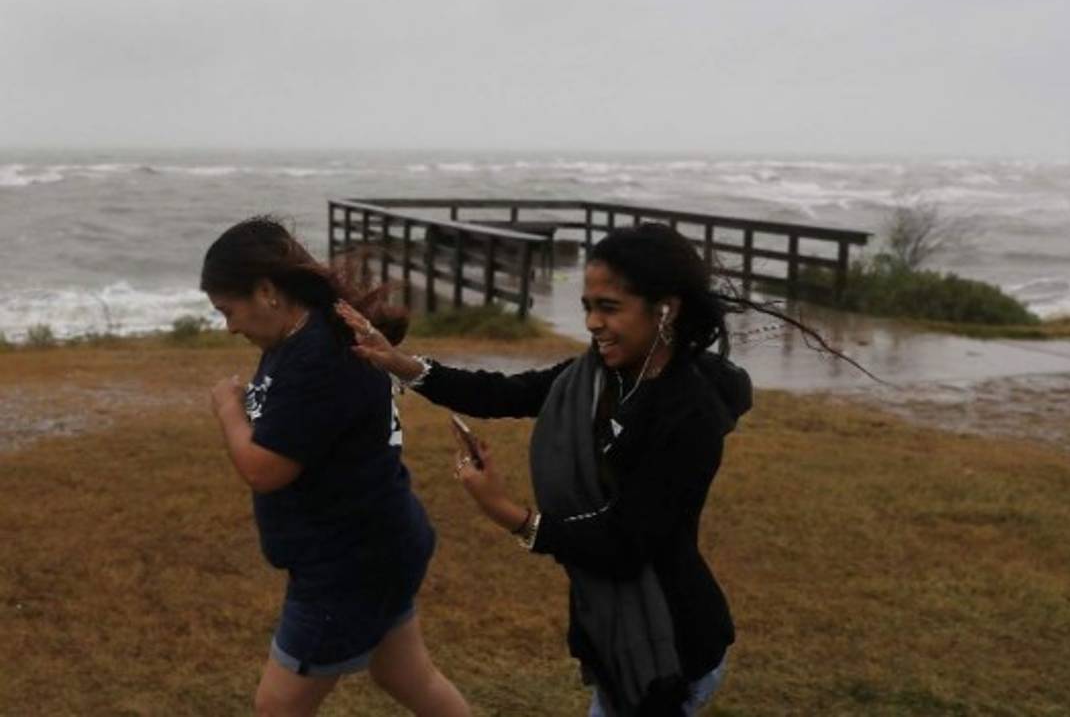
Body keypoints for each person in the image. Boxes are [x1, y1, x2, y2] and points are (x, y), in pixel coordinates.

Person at [339, 222, 841, 716]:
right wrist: (400, 363)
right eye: (587, 308)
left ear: (665, 309)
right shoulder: (599, 375)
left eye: (609, 308)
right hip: (612, 630)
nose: (593, 324)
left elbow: (626, 543)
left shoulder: (689, 414)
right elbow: (508, 393)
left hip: (670, 643)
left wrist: (512, 515)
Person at [202, 217, 470, 717]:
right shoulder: (301, 336)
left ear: (266, 291)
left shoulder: (318, 357)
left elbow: (264, 469)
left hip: (347, 566)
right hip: (376, 546)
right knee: (404, 674)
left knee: (276, 708)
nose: (230, 326)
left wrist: (228, 410)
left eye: (228, 310)